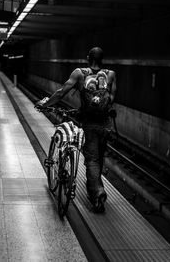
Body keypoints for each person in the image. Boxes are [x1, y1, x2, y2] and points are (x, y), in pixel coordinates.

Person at [36, 47, 117, 213]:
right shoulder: (111, 75)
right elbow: (111, 98)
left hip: (90, 124)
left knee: (92, 160)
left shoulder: (79, 73)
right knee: (99, 158)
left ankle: (98, 193)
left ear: (88, 58)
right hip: (106, 124)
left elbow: (61, 92)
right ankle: (93, 190)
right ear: (102, 60)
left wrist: (45, 104)